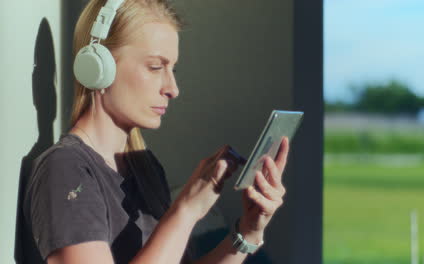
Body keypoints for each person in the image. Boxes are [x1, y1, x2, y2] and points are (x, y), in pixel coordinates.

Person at [22, 0, 290, 263]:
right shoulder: (65, 170)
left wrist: (247, 232)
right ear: (98, 67)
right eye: (155, 67)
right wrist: (186, 211)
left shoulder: (145, 167)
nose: (173, 89)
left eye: (173, 69)